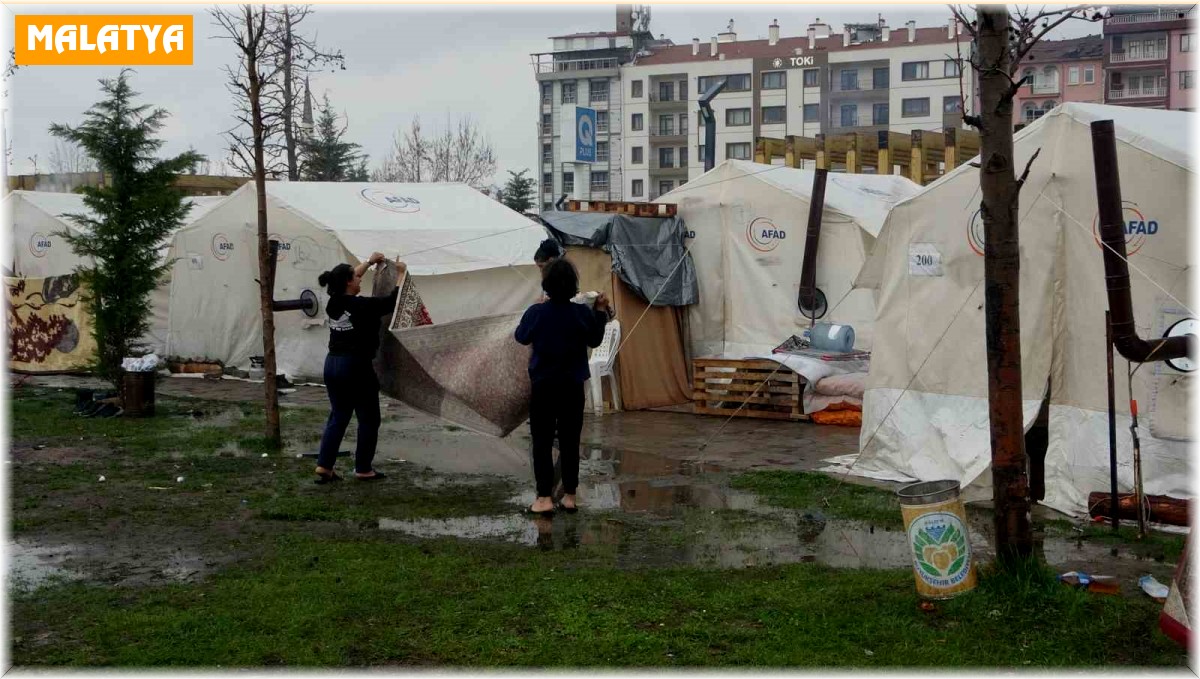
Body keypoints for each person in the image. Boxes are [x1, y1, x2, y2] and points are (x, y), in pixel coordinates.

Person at [515, 258, 611, 516]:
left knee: (542, 442)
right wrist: (600, 310)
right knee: (570, 441)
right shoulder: (581, 313)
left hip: (544, 387)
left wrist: (535, 308)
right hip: (572, 386)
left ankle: (544, 498)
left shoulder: (536, 313)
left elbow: (521, 336)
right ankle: (569, 496)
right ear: (573, 285)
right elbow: (595, 339)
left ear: (546, 284)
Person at [313, 251, 402, 484]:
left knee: (339, 416)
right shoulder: (361, 305)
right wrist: (401, 274)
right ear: (347, 282)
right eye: (356, 277)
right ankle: (363, 468)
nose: (360, 278)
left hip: (332, 364)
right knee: (369, 418)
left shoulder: (333, 302)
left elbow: (343, 278)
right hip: (356, 366)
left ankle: (324, 465)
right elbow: (391, 302)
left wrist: (370, 262)